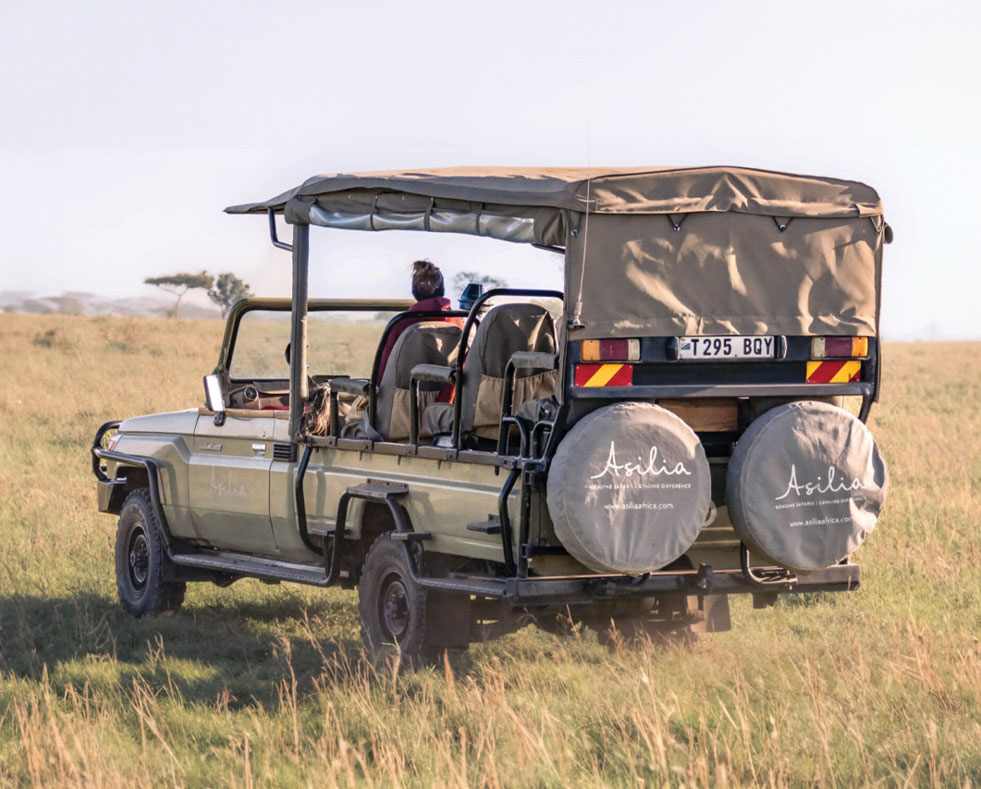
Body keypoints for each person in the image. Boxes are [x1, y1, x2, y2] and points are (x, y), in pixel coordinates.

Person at [377, 261, 463, 381]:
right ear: (442, 289)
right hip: (451, 397)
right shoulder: (457, 321)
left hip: (404, 397)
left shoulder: (401, 323)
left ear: (415, 292)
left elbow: (383, 373)